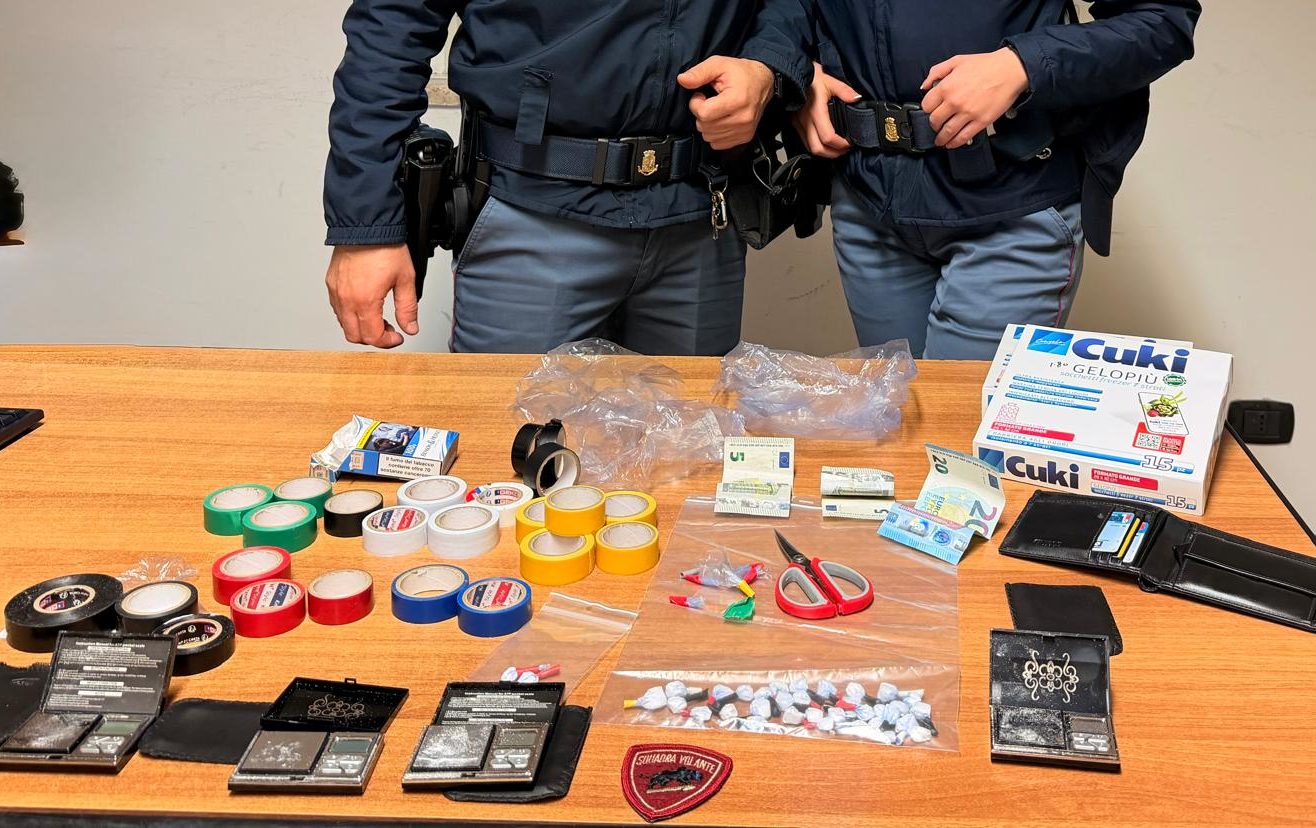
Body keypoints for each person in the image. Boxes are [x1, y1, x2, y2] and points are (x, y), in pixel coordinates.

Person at [323, 0, 810, 354]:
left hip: (699, 218)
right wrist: (366, 227)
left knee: (687, 448)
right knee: (512, 450)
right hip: (529, 214)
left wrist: (767, 66)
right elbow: (391, 26)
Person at [784, 0, 1200, 358]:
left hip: (1010, 207)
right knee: (896, 414)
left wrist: (1022, 64)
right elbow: (783, 12)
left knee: (966, 424)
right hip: (869, 207)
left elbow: (1162, 19)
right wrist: (796, 68)